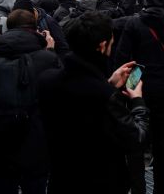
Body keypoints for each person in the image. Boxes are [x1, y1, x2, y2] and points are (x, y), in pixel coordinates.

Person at [38, 11, 149, 193]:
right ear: (102, 46)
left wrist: (108, 84)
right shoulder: (103, 95)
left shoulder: (47, 80)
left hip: (61, 178)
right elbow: (136, 138)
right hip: (102, 181)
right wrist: (137, 101)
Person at [115, 0, 164, 194]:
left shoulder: (133, 24)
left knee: (136, 145)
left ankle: (138, 189)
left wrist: (124, 89)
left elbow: (122, 58)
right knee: (163, 147)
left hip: (137, 91)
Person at [0, 8, 60, 193]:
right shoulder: (46, 58)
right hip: (34, 137)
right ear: (35, 28)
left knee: (1, 185)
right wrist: (50, 50)